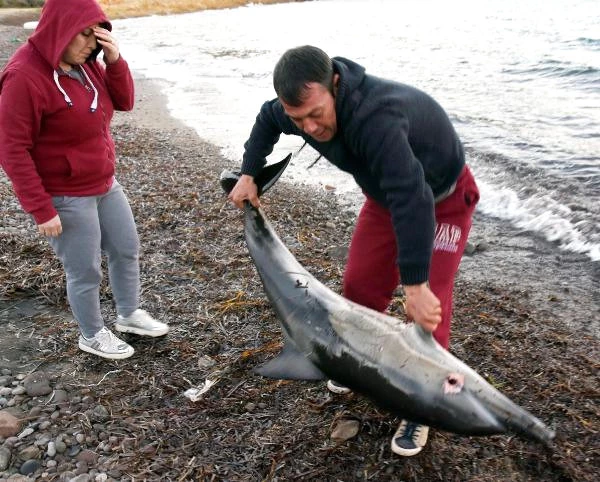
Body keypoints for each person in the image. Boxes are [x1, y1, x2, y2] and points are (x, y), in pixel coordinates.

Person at [229, 45, 480, 456]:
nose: (309, 127)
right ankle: (358, 361)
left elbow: (413, 199)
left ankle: (425, 401)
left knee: (430, 305)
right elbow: (265, 119)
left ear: (336, 85)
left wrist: (414, 285)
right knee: (360, 286)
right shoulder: (294, 110)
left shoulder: (375, 118)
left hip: (443, 199)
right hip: (384, 199)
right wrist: (249, 173)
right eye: (298, 119)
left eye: (316, 114)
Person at [0, 0, 169, 360]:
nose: (92, 43)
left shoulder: (86, 65)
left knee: (125, 248)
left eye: (98, 34)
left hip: (105, 183)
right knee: (85, 270)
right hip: (65, 194)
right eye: (86, 34)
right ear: (61, 28)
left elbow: (123, 101)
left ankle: (128, 314)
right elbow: (12, 149)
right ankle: (91, 335)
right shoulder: (23, 76)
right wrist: (40, 209)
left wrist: (115, 60)